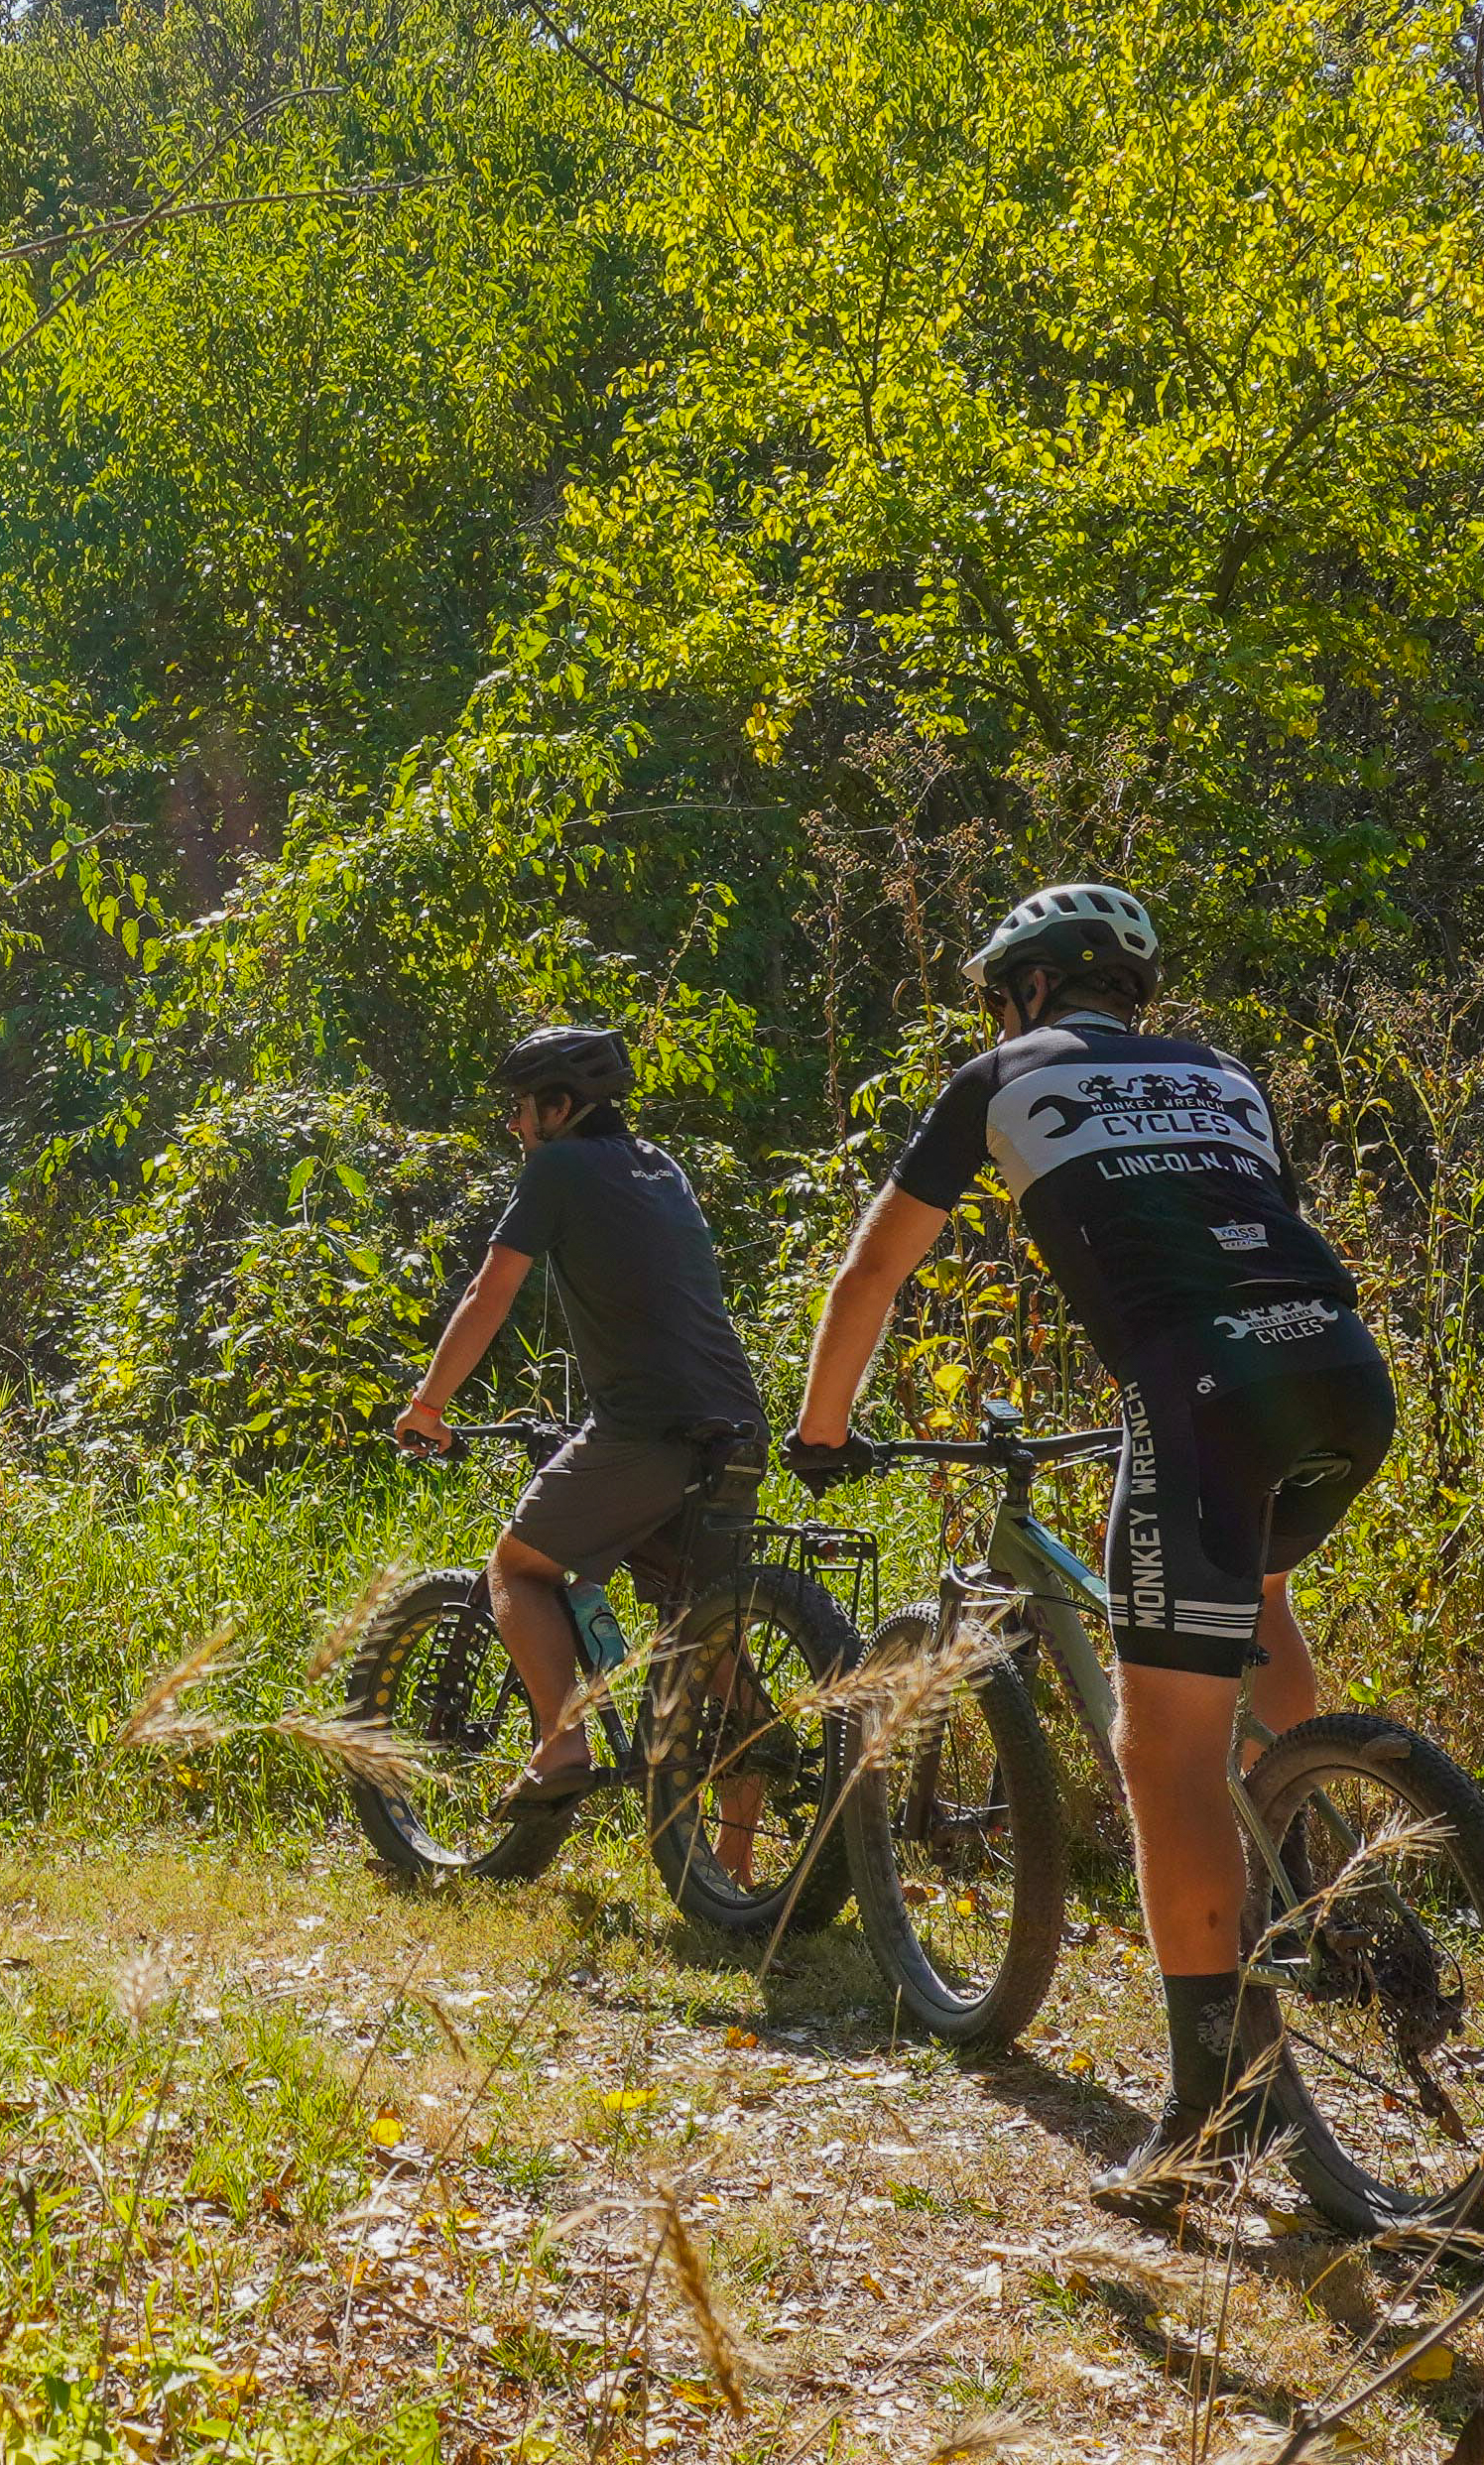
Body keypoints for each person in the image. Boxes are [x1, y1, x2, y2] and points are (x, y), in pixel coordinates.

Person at [778, 883, 1397, 2212]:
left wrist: (821, 1429)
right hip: (1344, 1376)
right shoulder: (1225, 1076)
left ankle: (1200, 2124)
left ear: (1029, 989)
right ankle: (1316, 1867)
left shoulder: (1000, 1075)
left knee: (1160, 1746)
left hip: (1203, 1391)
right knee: (1258, 1592)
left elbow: (870, 1275)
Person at [391, 1026, 779, 1863]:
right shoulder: (661, 1167)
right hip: (738, 1425)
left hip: (646, 1426)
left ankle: (563, 1744)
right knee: (705, 1634)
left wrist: (428, 1404)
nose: (514, 1126)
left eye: (522, 1108)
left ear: (560, 1108)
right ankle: (736, 1872)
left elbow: (491, 1295)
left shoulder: (558, 1166)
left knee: (519, 1568)